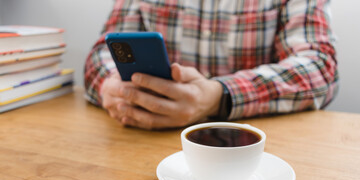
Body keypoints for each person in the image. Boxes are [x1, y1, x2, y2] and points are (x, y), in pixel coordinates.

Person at [84, 0, 338, 130]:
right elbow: (100, 55)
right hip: (146, 140)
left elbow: (319, 68)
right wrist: (111, 86)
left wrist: (219, 95)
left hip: (255, 150)